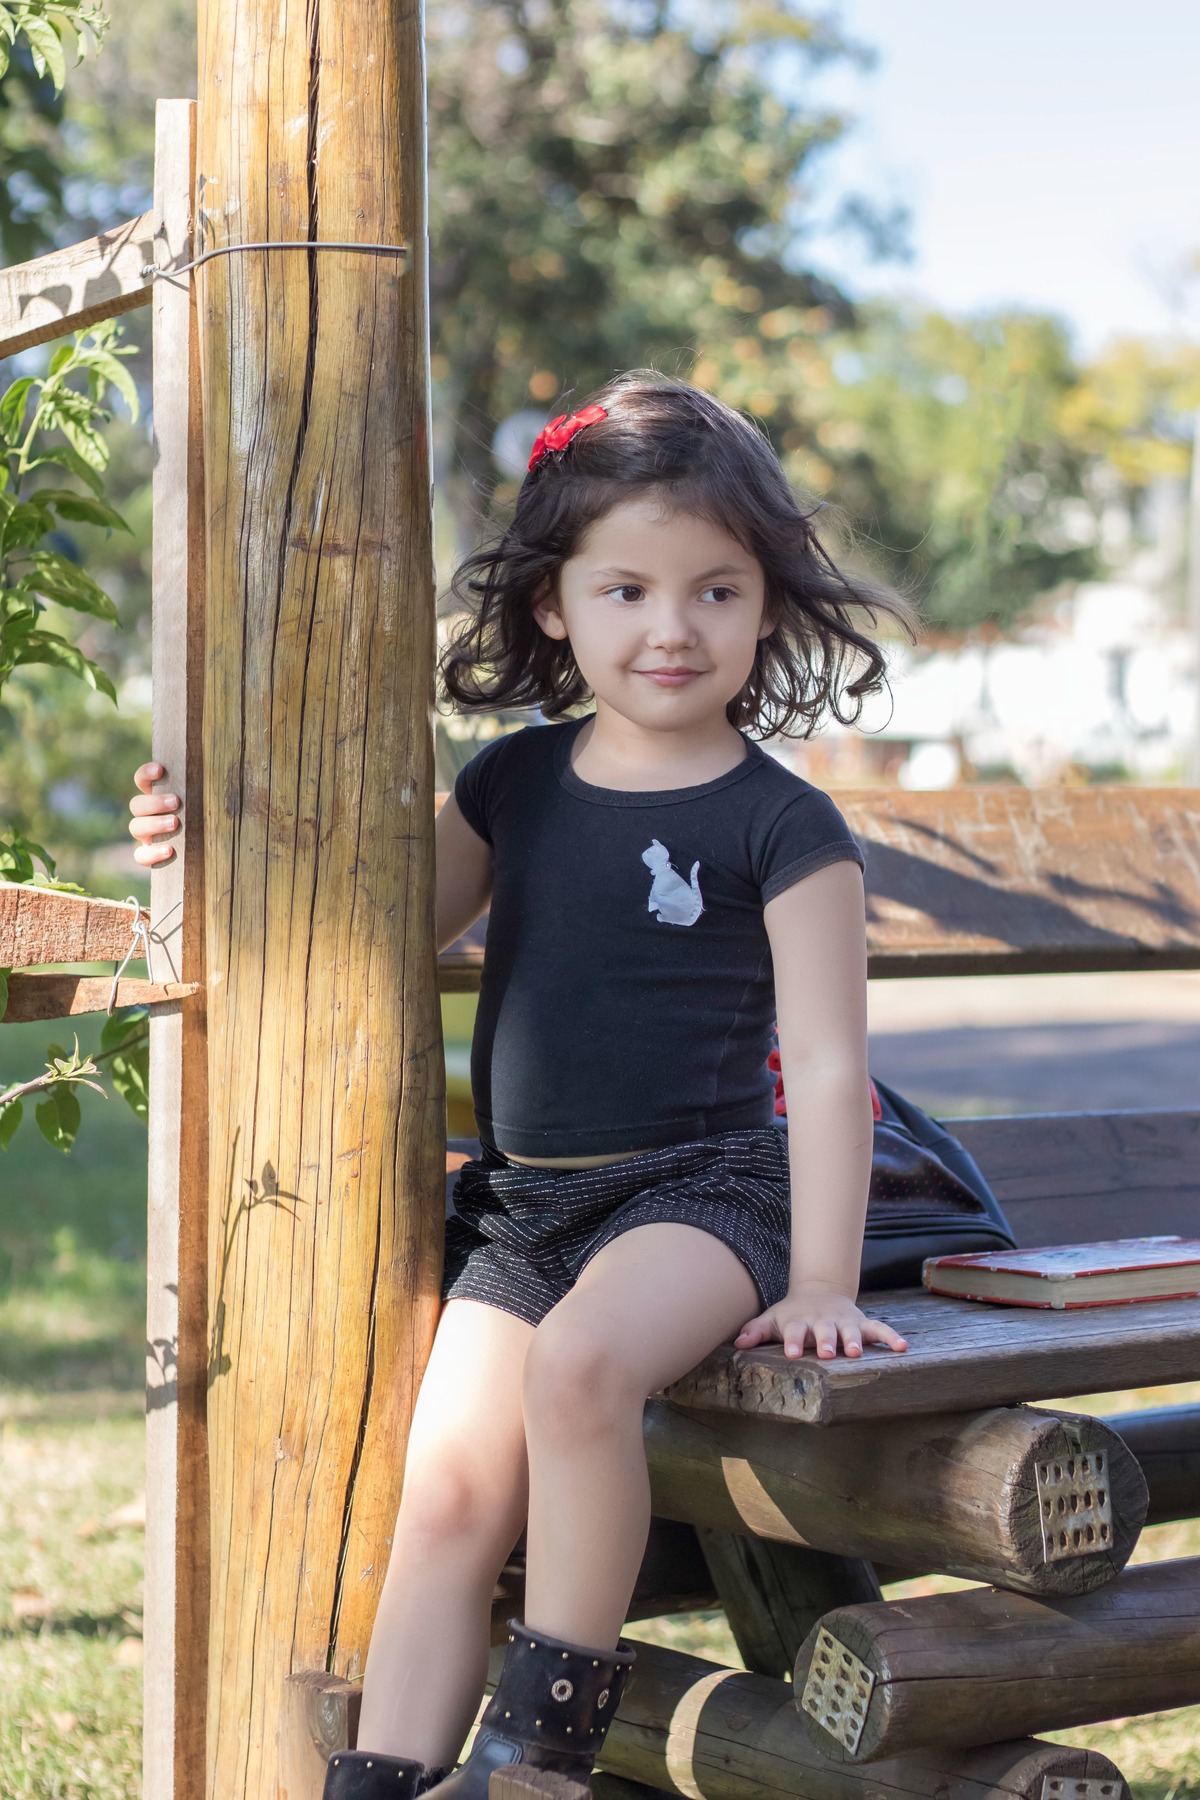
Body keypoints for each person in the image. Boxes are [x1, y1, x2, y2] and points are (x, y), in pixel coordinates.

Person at [129, 374, 911, 1800]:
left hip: (704, 1197)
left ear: (765, 608)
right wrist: (197, 847)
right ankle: (386, 1775)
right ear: (555, 604)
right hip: (526, 1213)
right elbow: (361, 923)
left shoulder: (784, 825)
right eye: (626, 589)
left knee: (580, 1374)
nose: (671, 629)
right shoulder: (516, 787)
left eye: (717, 592)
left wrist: (824, 1281)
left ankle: (537, 1757)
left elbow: (835, 1066)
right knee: (446, 1498)